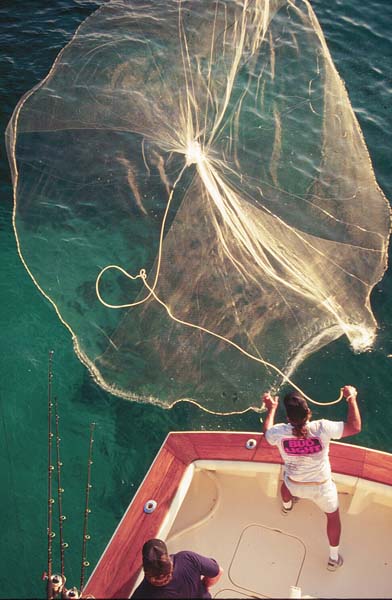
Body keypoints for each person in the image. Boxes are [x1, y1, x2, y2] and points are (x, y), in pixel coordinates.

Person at [262, 385, 361, 572]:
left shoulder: (279, 432)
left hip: (295, 485)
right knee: (333, 518)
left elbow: (267, 432)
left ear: (289, 418)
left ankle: (286, 508)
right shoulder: (322, 427)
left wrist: (271, 409)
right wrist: (351, 398)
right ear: (308, 412)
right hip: (322, 488)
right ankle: (333, 559)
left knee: (286, 484)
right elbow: (355, 427)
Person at [131, 538, 223, 598]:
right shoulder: (187, 558)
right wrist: (204, 586)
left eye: (165, 576)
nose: (161, 580)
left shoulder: (142, 594)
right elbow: (218, 571)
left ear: (145, 570)